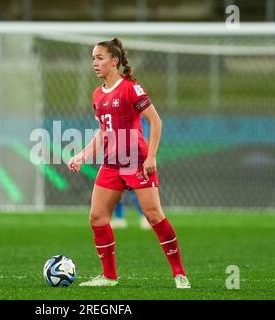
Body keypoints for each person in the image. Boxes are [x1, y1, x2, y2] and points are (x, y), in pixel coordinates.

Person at [68, 38, 190, 288]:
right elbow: (103, 131)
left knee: (155, 217)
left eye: (100, 58)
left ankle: (179, 273)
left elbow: (156, 122)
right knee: (97, 218)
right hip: (111, 164)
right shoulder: (97, 95)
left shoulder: (131, 88)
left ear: (115, 61)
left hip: (136, 162)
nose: (95, 63)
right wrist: (83, 154)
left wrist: (151, 157)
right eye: (93, 58)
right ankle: (109, 277)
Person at [111, 116, 150, 230]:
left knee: (135, 187)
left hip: (133, 153)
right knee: (116, 188)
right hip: (116, 153)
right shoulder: (114, 110)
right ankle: (119, 218)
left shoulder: (136, 112)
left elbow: (143, 135)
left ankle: (144, 216)